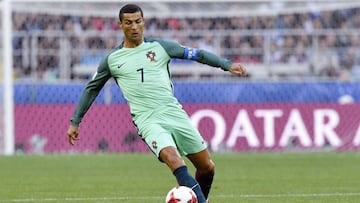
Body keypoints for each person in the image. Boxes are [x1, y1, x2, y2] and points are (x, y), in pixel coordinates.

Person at [66, 4, 247, 203]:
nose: (134, 27)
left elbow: (199, 55)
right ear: (120, 25)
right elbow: (92, 88)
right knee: (173, 159)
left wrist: (227, 65)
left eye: (138, 21)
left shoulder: (161, 47)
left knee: (207, 167)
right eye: (128, 23)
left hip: (173, 112)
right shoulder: (112, 60)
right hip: (147, 120)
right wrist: (76, 121)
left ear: (143, 22)